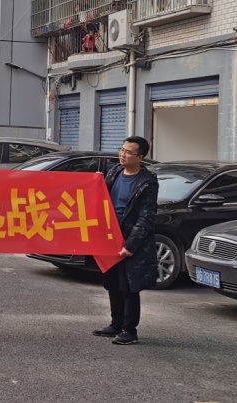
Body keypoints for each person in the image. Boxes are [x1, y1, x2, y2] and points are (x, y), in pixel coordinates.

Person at [93, 135, 160, 346]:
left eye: (128, 152)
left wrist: (131, 245)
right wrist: (96, 181)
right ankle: (116, 324)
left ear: (140, 157)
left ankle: (129, 330)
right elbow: (101, 196)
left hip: (130, 239)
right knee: (112, 283)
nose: (122, 154)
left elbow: (146, 217)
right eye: (122, 150)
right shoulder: (114, 172)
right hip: (110, 236)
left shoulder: (147, 182)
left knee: (129, 286)